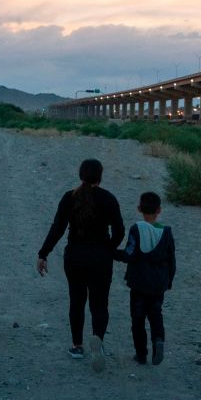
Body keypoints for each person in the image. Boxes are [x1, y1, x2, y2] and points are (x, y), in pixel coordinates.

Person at [36, 158, 124, 372]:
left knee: (77, 301)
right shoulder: (108, 198)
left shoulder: (69, 197)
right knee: (99, 304)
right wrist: (108, 248)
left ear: (80, 174)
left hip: (74, 256)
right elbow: (120, 231)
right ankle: (98, 342)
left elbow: (57, 228)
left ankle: (77, 346)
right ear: (100, 176)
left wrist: (43, 253)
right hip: (100, 258)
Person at [113, 191, 176, 366]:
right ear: (159, 210)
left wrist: (111, 253)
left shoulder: (136, 229)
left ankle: (141, 354)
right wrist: (168, 280)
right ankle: (159, 340)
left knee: (138, 319)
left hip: (139, 282)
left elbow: (129, 255)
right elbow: (171, 260)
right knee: (156, 314)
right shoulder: (166, 232)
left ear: (139, 208)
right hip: (158, 284)